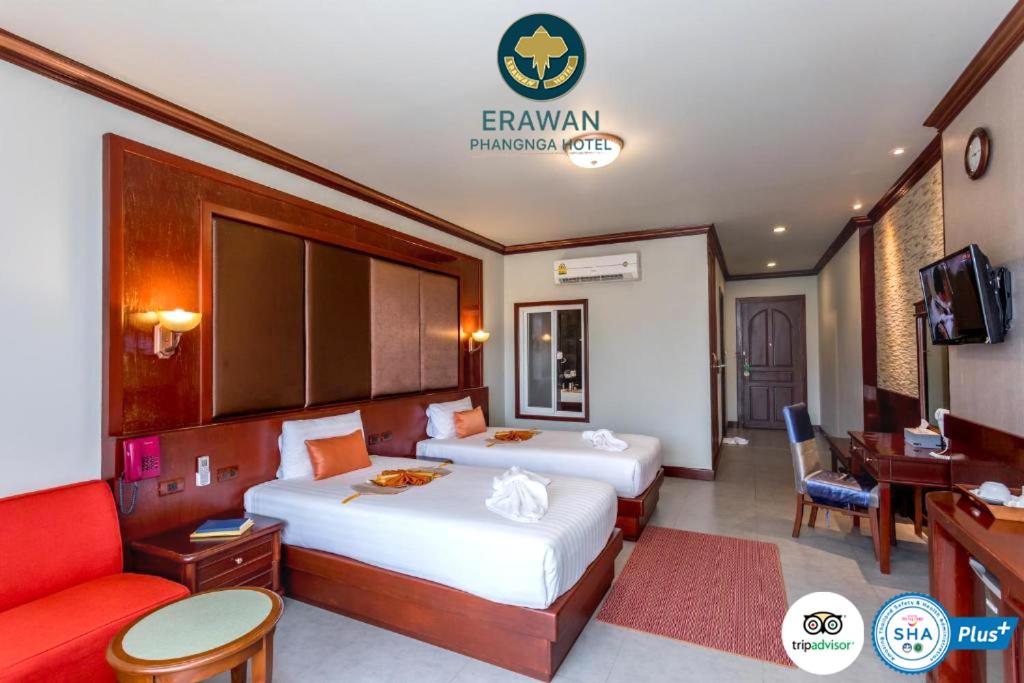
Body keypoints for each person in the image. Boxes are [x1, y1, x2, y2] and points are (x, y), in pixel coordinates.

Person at [929, 265, 955, 341]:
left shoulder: (951, 293)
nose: (943, 297)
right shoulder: (935, 302)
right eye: (940, 294)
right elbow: (939, 320)